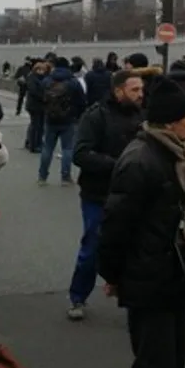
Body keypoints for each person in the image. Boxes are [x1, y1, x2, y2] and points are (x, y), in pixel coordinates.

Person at [99, 77, 185, 368]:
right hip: (149, 279)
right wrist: (112, 275)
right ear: (171, 122)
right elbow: (115, 225)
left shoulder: (172, 152)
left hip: (169, 276)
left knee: (171, 366)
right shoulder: (142, 159)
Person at [68, 69, 145, 321]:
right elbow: (80, 153)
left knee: (135, 248)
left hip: (132, 193)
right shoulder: (95, 116)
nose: (140, 95)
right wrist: (118, 164)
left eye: (142, 90)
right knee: (92, 246)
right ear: (118, 90)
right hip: (98, 193)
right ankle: (78, 296)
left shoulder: (142, 116)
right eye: (135, 90)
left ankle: (131, 297)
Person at [38, 55, 86, 186]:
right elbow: (82, 101)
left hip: (50, 119)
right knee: (67, 149)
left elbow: (41, 98)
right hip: (69, 120)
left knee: (47, 148)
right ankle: (65, 177)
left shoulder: (47, 81)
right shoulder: (73, 82)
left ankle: (42, 176)